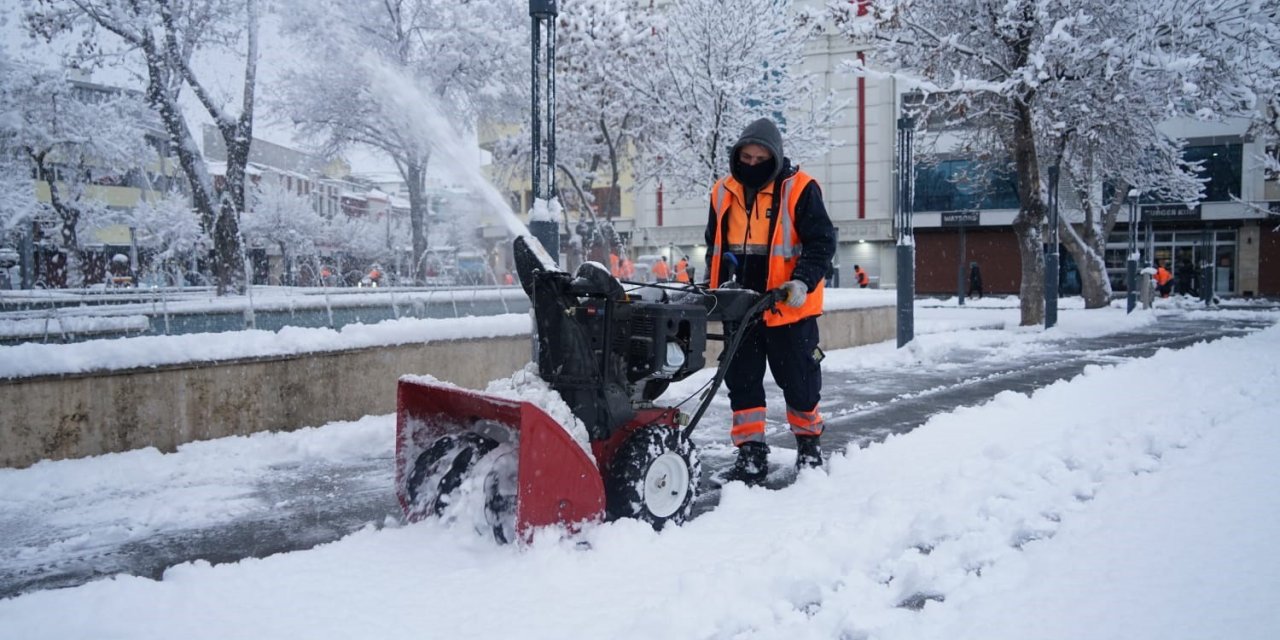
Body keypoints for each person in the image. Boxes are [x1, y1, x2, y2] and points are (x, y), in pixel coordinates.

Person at [704, 117, 836, 484]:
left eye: (759, 158)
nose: (751, 164)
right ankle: (751, 455)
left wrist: (802, 282)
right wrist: (715, 283)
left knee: (800, 381)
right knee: (742, 382)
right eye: (744, 157)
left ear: (774, 157)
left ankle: (809, 448)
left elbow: (822, 243)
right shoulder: (722, 192)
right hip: (740, 308)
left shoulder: (800, 189)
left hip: (787, 307)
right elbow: (714, 246)